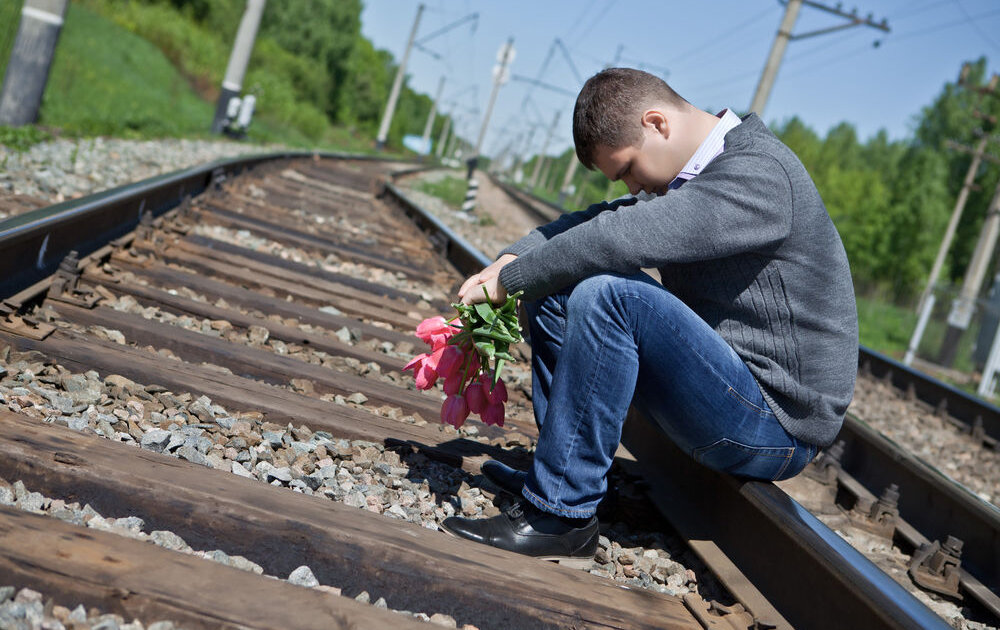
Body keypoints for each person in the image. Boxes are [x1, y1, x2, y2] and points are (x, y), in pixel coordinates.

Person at [439, 68, 858, 563]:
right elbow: (598, 221)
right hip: (728, 388)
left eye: (629, 169)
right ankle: (562, 477)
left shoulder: (760, 175)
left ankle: (562, 516)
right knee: (554, 285)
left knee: (609, 295)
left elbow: (616, 238)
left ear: (657, 123)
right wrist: (512, 260)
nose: (634, 187)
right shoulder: (701, 174)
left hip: (777, 425)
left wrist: (508, 283)